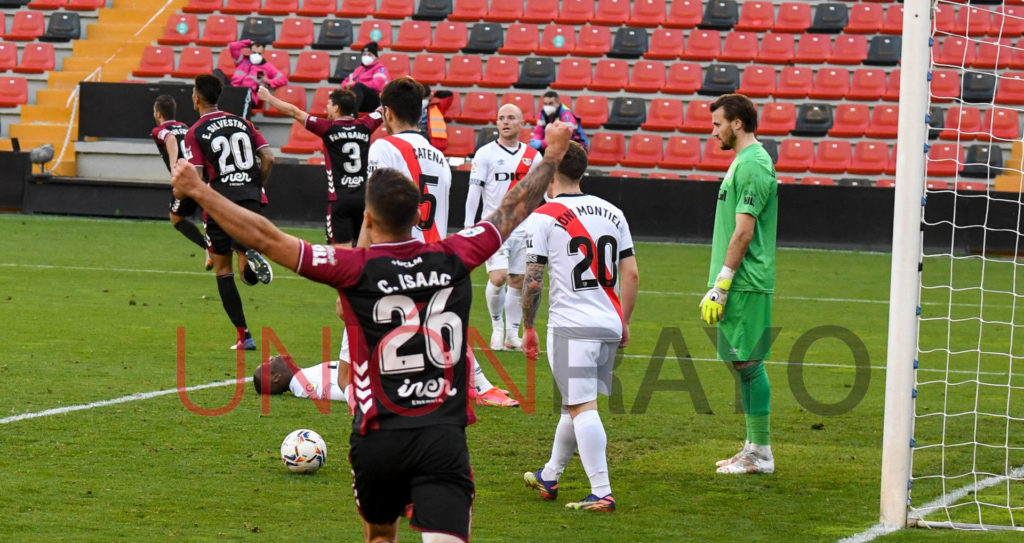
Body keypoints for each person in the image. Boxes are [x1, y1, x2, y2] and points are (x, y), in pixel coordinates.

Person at [168, 119, 574, 543]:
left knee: (381, 537)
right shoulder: (457, 254)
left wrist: (199, 191)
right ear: (419, 214)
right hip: (441, 437)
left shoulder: (355, 268)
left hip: (379, 440)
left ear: (368, 218)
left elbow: (265, 237)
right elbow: (513, 208)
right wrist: (552, 155)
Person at [367, 76, 517, 408]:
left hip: (398, 252)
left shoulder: (382, 147)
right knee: (440, 323)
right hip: (435, 251)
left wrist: (366, 255)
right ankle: (478, 385)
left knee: (377, 334)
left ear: (387, 112)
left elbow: (374, 205)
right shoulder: (438, 157)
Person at [521, 141, 639, 513]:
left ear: (551, 171)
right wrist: (625, 322)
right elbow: (631, 272)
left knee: (582, 406)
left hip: (571, 325)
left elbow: (534, 279)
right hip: (607, 322)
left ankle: (601, 491)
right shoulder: (613, 212)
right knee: (573, 405)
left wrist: (527, 325)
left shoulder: (543, 215)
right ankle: (550, 475)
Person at [698, 93, 778, 475]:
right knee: (740, 362)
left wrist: (723, 284)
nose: (713, 131)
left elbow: (744, 233)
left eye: (717, 124)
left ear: (738, 124)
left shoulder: (754, 165)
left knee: (749, 362)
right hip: (736, 281)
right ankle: (752, 446)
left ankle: (761, 452)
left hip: (745, 281)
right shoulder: (740, 163)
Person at [183, 74, 276, 351]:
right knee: (245, 273)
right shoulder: (243, 122)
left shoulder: (195, 131)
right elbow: (269, 156)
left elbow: (198, 179)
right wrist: (257, 184)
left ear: (197, 97)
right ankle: (247, 251)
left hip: (220, 203)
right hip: (250, 197)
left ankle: (244, 336)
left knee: (223, 271)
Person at [257, 85, 383, 246]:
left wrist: (269, 98)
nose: (327, 108)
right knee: (364, 254)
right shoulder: (366, 125)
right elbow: (383, 108)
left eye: (329, 104)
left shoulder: (328, 129)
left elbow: (294, 112)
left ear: (337, 107)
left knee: (341, 257)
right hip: (363, 200)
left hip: (340, 200)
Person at [464, 104, 541, 352]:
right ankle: (497, 327)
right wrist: (468, 225)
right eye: (501, 118)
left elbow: (543, 195)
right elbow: (474, 191)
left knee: (518, 280)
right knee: (498, 277)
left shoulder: (533, 157)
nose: (505, 122)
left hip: (524, 227)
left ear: (522, 124)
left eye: (511, 118)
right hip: (494, 226)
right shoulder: (485, 154)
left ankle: (511, 335)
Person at [151, 94, 212, 270]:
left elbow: (169, 138)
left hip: (186, 179)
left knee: (176, 218)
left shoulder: (158, 131)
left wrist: (173, 169)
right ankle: (227, 248)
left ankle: (210, 247)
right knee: (213, 215)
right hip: (201, 175)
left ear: (157, 113)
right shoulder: (185, 127)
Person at [253, 353, 351, 401]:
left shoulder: (301, 376)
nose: (272, 357)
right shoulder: (303, 385)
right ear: (276, 377)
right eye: (269, 362)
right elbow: (343, 393)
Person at [227, 39, 288, 109]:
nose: (256, 55)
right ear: (249, 52)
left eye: (259, 53)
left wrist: (268, 81)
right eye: (254, 52)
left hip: (249, 95)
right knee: (217, 73)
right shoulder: (242, 60)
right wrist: (250, 42)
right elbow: (233, 46)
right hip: (233, 90)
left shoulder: (267, 67)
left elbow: (283, 79)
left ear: (263, 53)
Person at [342, 41, 390, 113]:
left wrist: (354, 84)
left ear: (376, 57)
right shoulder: (359, 69)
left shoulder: (380, 69)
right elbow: (345, 81)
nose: (366, 57)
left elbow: (377, 85)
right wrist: (346, 85)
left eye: (369, 55)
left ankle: (352, 115)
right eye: (364, 54)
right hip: (359, 100)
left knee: (358, 86)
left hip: (374, 100)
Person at [417, 85, 455, 153]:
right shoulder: (412, 106)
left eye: (425, 98)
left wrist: (434, 93)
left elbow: (449, 95)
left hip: (431, 138)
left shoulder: (437, 106)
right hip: (416, 135)